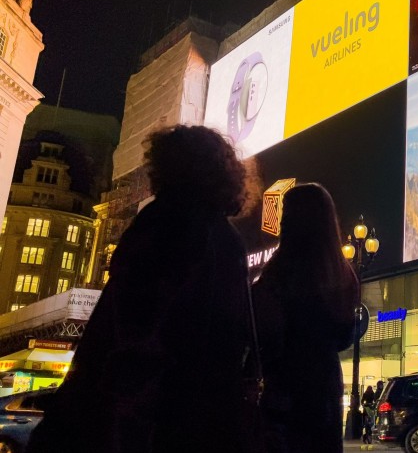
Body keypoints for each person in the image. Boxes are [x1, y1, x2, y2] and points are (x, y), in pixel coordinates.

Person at [27, 125, 254, 453]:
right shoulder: (229, 239)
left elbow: (125, 318)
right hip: (203, 412)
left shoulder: (161, 222)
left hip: (141, 411)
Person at [252, 183, 359, 453]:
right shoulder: (343, 275)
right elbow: (345, 335)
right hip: (324, 389)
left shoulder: (277, 274)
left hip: (285, 390)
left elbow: (264, 334)